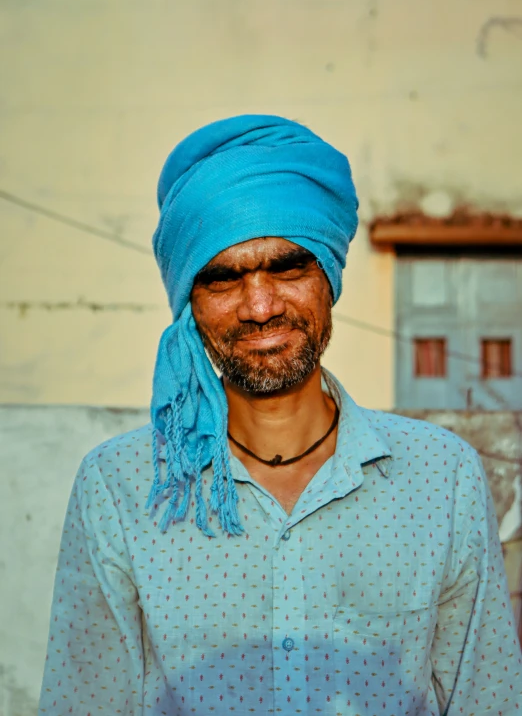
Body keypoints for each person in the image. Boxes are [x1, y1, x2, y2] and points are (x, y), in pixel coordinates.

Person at [38, 116, 521, 716]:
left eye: (289, 267)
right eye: (223, 278)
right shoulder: (121, 486)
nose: (260, 306)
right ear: (190, 303)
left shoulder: (441, 476)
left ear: (329, 279)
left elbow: (488, 700)